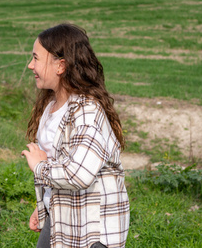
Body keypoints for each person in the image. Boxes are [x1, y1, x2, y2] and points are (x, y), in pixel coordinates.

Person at [21, 23, 130, 248]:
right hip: (62, 217)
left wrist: (39, 168)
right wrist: (44, 203)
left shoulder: (87, 111)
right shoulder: (51, 106)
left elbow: (79, 175)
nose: (30, 65)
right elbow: (61, 162)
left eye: (36, 58)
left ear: (60, 65)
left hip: (91, 231)